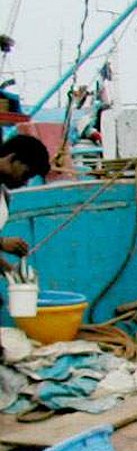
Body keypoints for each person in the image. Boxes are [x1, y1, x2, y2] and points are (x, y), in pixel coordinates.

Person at [0, 136, 52, 344]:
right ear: (11, 159)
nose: (25, 182)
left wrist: (11, 271)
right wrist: (2, 243)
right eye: (26, 173)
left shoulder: (4, 196)